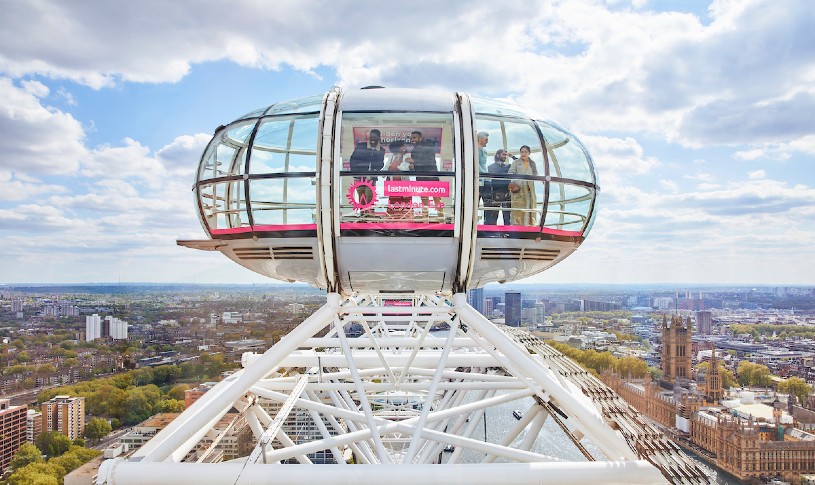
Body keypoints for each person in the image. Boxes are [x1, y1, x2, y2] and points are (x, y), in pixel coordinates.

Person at [407, 130, 443, 221]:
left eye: (414, 138)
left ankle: (442, 221)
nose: (412, 140)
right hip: (421, 178)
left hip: (432, 177)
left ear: (421, 138)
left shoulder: (429, 146)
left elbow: (429, 161)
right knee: (424, 201)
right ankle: (425, 221)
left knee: (437, 199)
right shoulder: (413, 151)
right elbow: (415, 166)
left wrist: (414, 161)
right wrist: (411, 167)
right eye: (411, 138)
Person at [348, 129, 385, 210]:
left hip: (371, 178)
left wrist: (375, 170)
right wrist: (355, 173)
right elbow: (353, 160)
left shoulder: (381, 150)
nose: (373, 138)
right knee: (362, 199)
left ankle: (370, 216)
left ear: (379, 138)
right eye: (371, 136)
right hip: (359, 177)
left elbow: (380, 164)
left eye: (375, 136)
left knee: (370, 199)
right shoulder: (361, 146)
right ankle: (363, 216)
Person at [508, 145, 538, 226]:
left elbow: (536, 174)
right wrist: (516, 182)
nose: (523, 154)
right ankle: (518, 226)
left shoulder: (532, 163)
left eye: (525, 152)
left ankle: (529, 225)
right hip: (519, 189)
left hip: (529, 189)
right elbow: (510, 173)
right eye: (522, 152)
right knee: (518, 209)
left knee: (529, 207)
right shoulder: (516, 162)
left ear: (529, 153)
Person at [384, 140, 412, 220]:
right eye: (403, 146)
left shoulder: (407, 157)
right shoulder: (391, 157)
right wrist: (389, 167)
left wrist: (397, 164)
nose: (405, 147)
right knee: (394, 206)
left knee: (406, 206)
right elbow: (385, 169)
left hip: (405, 186)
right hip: (393, 186)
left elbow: (406, 170)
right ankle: (394, 223)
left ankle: (406, 222)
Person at [485, 149, 512, 225]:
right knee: (493, 216)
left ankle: (507, 231)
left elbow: (519, 163)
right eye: (503, 154)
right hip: (495, 192)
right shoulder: (491, 167)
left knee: (507, 217)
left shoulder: (509, 166)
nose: (505, 156)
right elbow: (496, 175)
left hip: (507, 192)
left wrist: (512, 156)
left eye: (506, 155)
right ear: (498, 155)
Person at [476, 131, 489, 218]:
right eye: (486, 139)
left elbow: (483, 165)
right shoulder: (475, 150)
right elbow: (476, 164)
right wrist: (484, 174)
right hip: (479, 179)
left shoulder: (484, 151)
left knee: (487, 202)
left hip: (485, 179)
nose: (487, 142)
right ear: (480, 139)